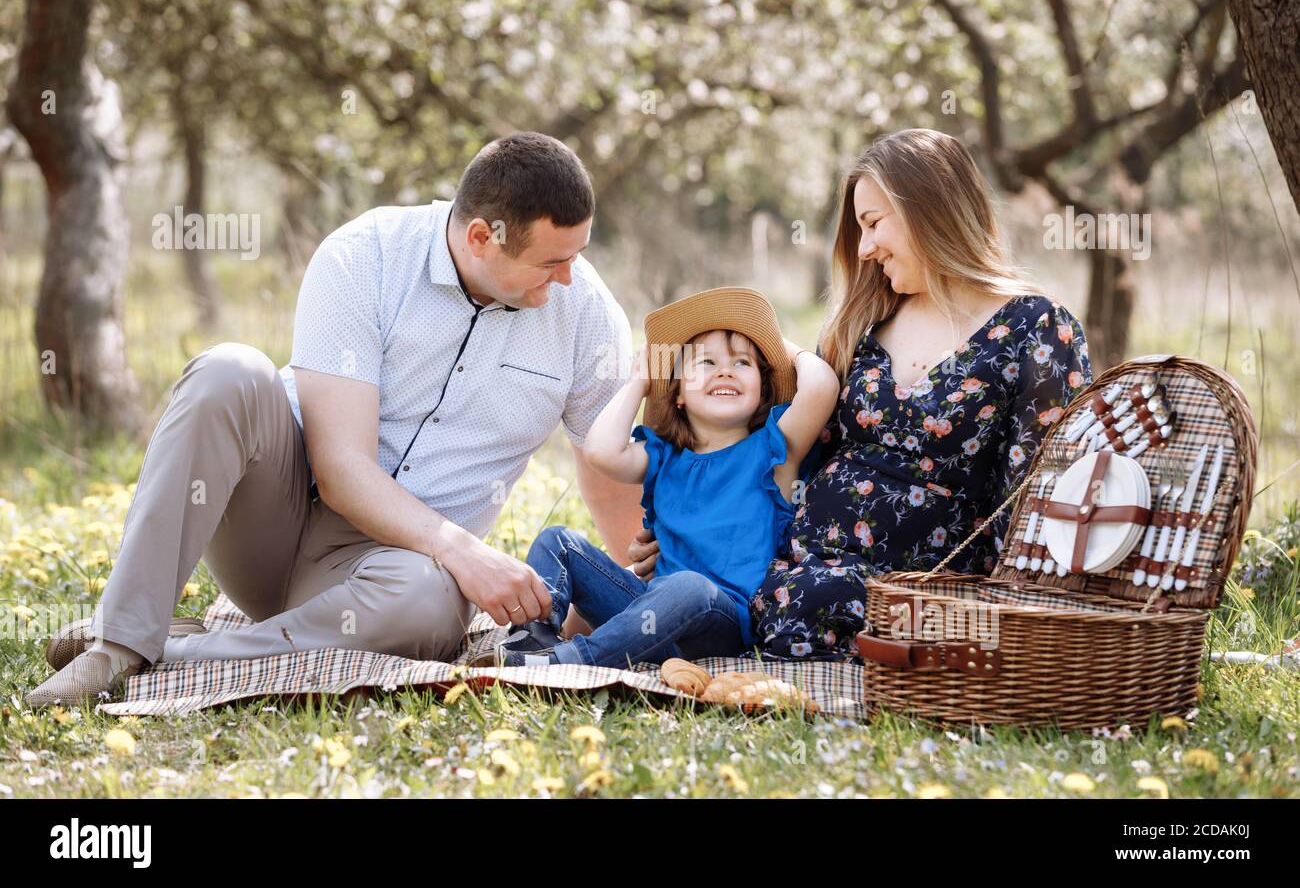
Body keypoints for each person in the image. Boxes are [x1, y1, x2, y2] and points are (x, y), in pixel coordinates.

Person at [27, 132, 642, 706]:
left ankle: (175, 653)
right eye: (550, 262)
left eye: (577, 255)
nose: (568, 278)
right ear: (481, 236)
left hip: (393, 575)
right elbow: (342, 469)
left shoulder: (582, 310)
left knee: (429, 601)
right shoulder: (365, 256)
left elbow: (608, 457)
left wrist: (642, 602)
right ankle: (118, 644)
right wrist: (466, 552)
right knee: (228, 369)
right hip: (277, 521)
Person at [627, 129, 1093, 661]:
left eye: (873, 224)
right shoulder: (862, 324)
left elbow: (1037, 489)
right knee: (724, 593)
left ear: (929, 209)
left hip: (919, 584)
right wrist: (692, 523)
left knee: (810, 599)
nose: (866, 248)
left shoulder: (1035, 327)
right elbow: (782, 457)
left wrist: (1023, 623)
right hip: (792, 567)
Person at [478, 287, 839, 669]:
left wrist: (771, 341)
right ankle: (535, 639)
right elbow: (601, 452)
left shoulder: (772, 451)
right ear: (677, 393)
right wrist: (639, 382)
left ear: (762, 388)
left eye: (743, 363)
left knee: (687, 586)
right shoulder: (664, 455)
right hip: (645, 620)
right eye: (706, 362)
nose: (725, 370)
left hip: (718, 625)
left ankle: (570, 661)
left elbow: (821, 387)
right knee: (558, 541)